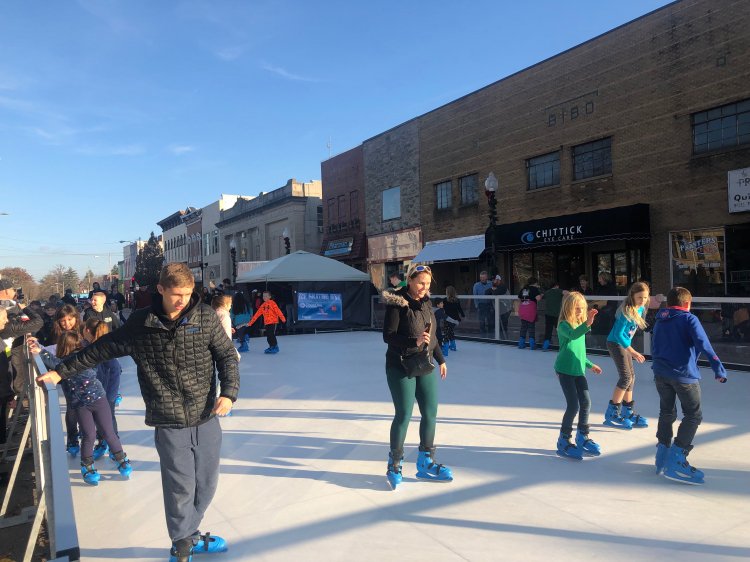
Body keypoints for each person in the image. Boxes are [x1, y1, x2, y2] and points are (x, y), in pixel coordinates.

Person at [36, 262, 239, 561]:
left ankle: (189, 534)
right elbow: (100, 349)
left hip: (206, 413)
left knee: (207, 484)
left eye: (187, 293)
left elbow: (226, 356)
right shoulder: (141, 324)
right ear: (160, 290)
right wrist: (60, 373)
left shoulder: (205, 317)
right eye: (176, 294)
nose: (182, 300)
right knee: (180, 485)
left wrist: (229, 393)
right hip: (168, 419)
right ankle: (182, 543)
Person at [381, 263, 450, 490]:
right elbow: (388, 336)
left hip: (425, 363)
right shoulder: (397, 303)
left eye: (428, 284)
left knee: (430, 412)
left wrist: (440, 359)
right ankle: (395, 463)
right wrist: (414, 342)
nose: (424, 287)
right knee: (404, 414)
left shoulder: (427, 302)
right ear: (410, 280)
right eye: (421, 283)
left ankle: (425, 461)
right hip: (400, 365)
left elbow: (433, 335)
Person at [32, 330, 132, 484]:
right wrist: (40, 350)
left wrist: (41, 352)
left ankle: (121, 458)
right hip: (80, 404)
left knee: (108, 431)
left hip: (98, 399)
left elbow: (58, 363)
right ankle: (87, 465)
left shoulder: (83, 361)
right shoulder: (62, 363)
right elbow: (56, 362)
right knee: (89, 435)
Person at [651, 286, 727, 485]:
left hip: (660, 373)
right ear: (687, 304)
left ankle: (662, 453)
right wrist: (718, 368)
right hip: (683, 375)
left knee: (666, 412)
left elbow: (655, 345)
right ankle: (677, 457)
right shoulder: (688, 318)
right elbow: (704, 343)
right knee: (693, 415)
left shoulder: (660, 318)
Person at [554, 292, 602, 460]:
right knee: (573, 405)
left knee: (586, 402)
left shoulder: (581, 327)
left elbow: (579, 353)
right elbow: (573, 336)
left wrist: (590, 365)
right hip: (565, 370)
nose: (580, 312)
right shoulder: (564, 325)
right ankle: (563, 440)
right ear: (567, 308)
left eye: (582, 308)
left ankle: (583, 436)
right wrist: (588, 323)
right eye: (576, 309)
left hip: (578, 371)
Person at [603, 281, 651, 430]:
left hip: (624, 345)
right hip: (615, 343)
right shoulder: (626, 310)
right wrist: (633, 351)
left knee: (632, 377)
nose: (642, 300)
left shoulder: (641, 307)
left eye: (645, 297)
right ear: (632, 296)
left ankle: (627, 411)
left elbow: (652, 302)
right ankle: (612, 412)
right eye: (639, 297)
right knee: (626, 377)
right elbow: (618, 334)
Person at [84, 318, 122, 457]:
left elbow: (115, 369)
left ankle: (114, 447)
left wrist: (111, 394)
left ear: (87, 330)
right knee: (98, 418)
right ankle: (103, 443)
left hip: (106, 391)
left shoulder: (102, 348)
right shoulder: (90, 346)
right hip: (97, 391)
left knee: (109, 418)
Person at [517, 277, 542, 350]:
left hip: (523, 309)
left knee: (523, 327)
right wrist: (541, 295)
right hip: (530, 310)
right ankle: (532, 345)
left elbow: (519, 299)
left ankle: (521, 344)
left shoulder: (523, 289)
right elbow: (538, 298)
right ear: (535, 283)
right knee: (531, 327)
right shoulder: (534, 289)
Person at [541, 281, 564, 351]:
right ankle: (562, 347)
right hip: (557, 315)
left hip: (548, 315)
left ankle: (545, 346)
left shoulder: (547, 292)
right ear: (556, 286)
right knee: (560, 331)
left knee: (548, 331)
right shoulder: (559, 291)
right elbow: (566, 293)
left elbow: (541, 297)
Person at [441, 286, 464, 351]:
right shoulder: (456, 300)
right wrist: (463, 315)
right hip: (455, 320)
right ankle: (453, 346)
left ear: (447, 292)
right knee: (450, 332)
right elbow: (459, 309)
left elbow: (442, 309)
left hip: (448, 319)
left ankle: (445, 349)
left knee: (446, 333)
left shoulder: (445, 300)